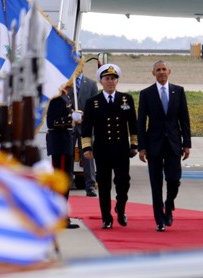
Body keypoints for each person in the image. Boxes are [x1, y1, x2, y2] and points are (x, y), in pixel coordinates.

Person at [81, 64, 138, 229]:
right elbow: (86, 128)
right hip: (102, 150)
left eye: (113, 78)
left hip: (121, 150)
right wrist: (86, 148)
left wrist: (134, 144)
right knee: (104, 185)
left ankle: (121, 208)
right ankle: (106, 218)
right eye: (107, 79)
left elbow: (133, 124)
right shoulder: (93, 102)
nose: (110, 82)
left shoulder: (126, 99)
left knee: (123, 183)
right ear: (101, 81)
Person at [137, 60, 191, 232]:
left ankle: (169, 204)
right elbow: (141, 122)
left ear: (170, 71)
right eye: (158, 70)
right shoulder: (146, 94)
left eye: (164, 69)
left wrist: (187, 144)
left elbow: (184, 119)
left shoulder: (178, 91)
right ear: (153, 73)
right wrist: (142, 147)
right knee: (156, 183)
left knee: (174, 179)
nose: (161, 72)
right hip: (154, 144)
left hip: (174, 144)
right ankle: (159, 218)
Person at [46, 91, 81, 229]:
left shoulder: (65, 97)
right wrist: (71, 120)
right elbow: (52, 122)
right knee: (61, 182)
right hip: (59, 144)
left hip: (65, 142)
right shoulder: (57, 99)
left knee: (65, 181)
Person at [70, 72, 99, 197]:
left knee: (88, 156)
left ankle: (90, 186)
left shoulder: (91, 84)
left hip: (85, 126)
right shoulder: (65, 82)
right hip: (69, 126)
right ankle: (66, 183)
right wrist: (71, 114)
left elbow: (95, 106)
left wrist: (84, 115)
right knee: (67, 156)